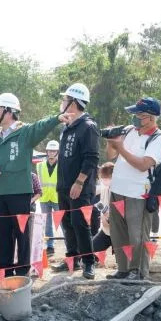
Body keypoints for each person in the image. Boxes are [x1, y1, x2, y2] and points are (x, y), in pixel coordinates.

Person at [0, 93, 67, 276]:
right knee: (2, 234)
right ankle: (5, 273)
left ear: (9, 112)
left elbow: (41, 126)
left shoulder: (25, 133)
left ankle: (22, 273)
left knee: (22, 234)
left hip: (20, 192)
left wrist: (56, 118)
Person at [105, 97, 161, 281]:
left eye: (138, 115)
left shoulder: (158, 139)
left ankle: (138, 271)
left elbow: (143, 165)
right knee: (118, 232)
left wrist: (121, 148)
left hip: (138, 193)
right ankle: (123, 269)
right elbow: (112, 155)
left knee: (137, 235)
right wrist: (111, 143)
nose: (134, 118)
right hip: (118, 190)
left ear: (150, 117)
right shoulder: (130, 131)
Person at [54, 83, 100, 279]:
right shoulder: (67, 127)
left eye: (65, 99)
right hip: (63, 185)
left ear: (73, 102)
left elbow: (91, 158)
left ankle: (89, 262)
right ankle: (72, 258)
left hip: (79, 187)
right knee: (67, 223)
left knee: (80, 223)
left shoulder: (88, 127)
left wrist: (79, 182)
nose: (62, 102)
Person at [37, 140, 60, 256]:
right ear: (46, 151)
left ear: (57, 152)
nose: (51, 153)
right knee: (47, 223)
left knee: (64, 223)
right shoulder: (39, 165)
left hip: (58, 198)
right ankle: (50, 246)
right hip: (44, 197)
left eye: (54, 151)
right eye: (50, 151)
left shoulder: (62, 165)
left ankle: (70, 246)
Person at [92, 162, 115, 255]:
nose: (103, 180)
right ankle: (94, 259)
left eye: (105, 178)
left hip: (118, 232)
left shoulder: (119, 191)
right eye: (102, 178)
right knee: (90, 249)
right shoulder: (104, 187)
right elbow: (93, 190)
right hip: (106, 231)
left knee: (122, 259)